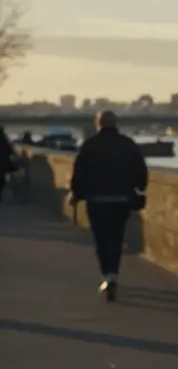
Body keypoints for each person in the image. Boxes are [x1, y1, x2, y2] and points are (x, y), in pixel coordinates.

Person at [70, 111, 149, 301]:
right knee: (116, 237)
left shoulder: (89, 146)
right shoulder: (128, 145)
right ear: (116, 124)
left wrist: (77, 194)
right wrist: (138, 187)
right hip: (121, 200)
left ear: (98, 124)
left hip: (96, 201)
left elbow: (79, 174)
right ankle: (113, 273)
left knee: (101, 239)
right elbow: (141, 173)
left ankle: (107, 275)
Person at [0, 126, 15, 204]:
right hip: (3, 164)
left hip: (3, 163)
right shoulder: (3, 139)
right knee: (2, 180)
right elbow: (10, 151)